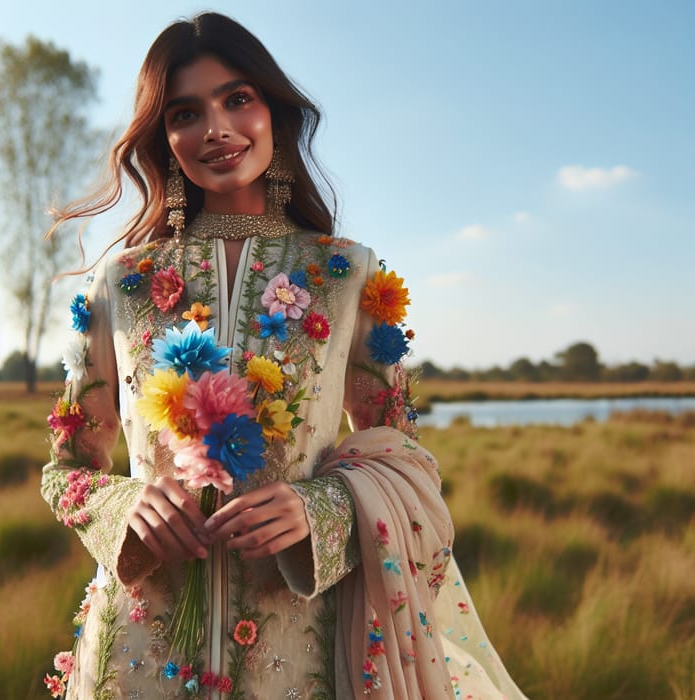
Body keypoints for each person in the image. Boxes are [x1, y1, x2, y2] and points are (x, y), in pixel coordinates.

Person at [42, 12, 528, 700]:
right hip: (140, 656)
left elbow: (405, 463)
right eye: (186, 112)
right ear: (165, 136)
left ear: (274, 112)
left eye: (237, 99)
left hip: (302, 652)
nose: (215, 128)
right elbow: (66, 471)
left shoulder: (344, 277)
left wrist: (320, 508)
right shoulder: (123, 285)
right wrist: (125, 505)